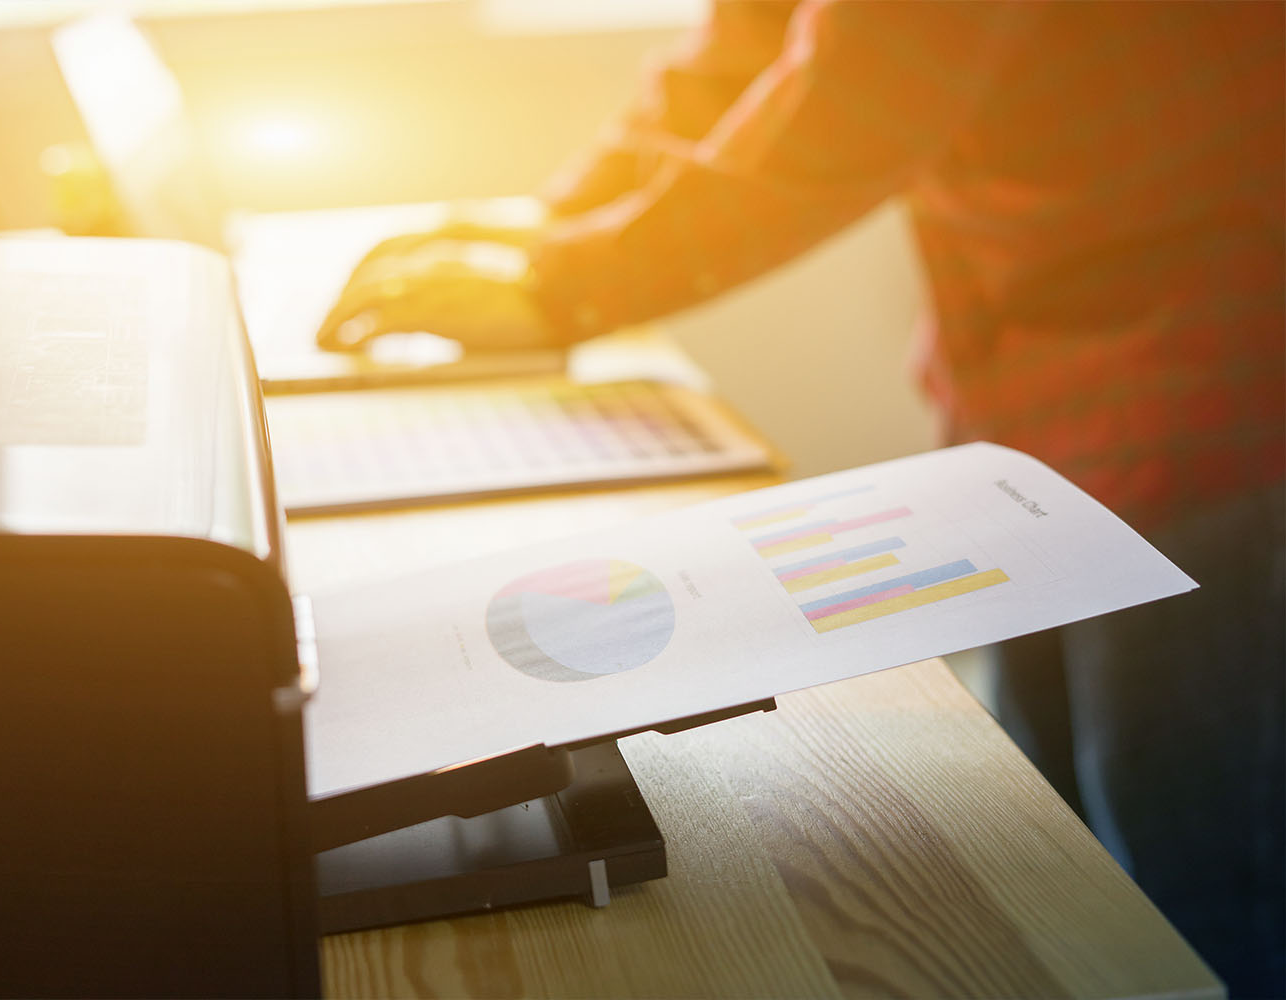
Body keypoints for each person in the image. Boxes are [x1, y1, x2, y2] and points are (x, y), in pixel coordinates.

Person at [315, 3, 1285, 994]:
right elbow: (742, 54)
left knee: (1194, 869)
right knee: (1060, 828)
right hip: (1034, 354)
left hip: (1204, 370)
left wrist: (561, 284)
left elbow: (855, 104)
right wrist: (548, 233)